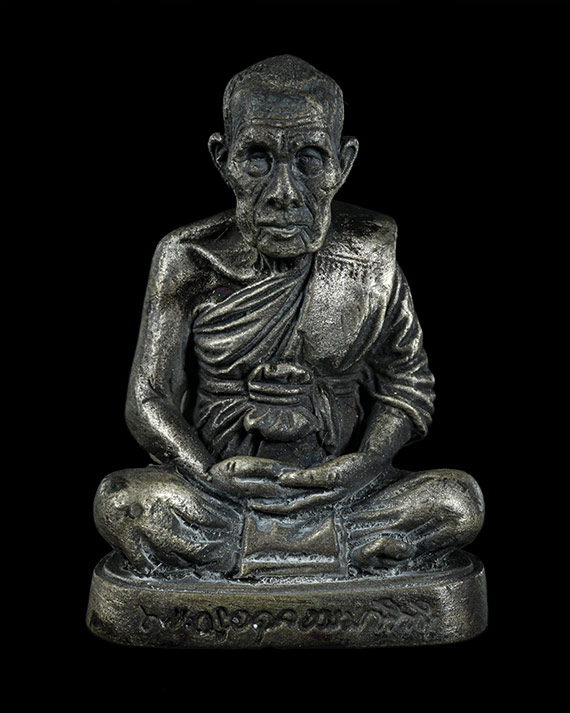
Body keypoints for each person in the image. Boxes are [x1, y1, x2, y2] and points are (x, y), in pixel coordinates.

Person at [94, 55, 484, 579]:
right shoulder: (187, 260)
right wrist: (205, 472)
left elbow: (407, 385)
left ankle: (244, 557)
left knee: (459, 502)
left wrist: (363, 465)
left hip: (339, 493)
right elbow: (148, 399)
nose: (283, 192)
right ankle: (332, 555)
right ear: (223, 159)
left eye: (309, 160)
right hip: (221, 494)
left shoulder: (368, 258)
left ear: (343, 164)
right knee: (122, 500)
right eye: (257, 159)